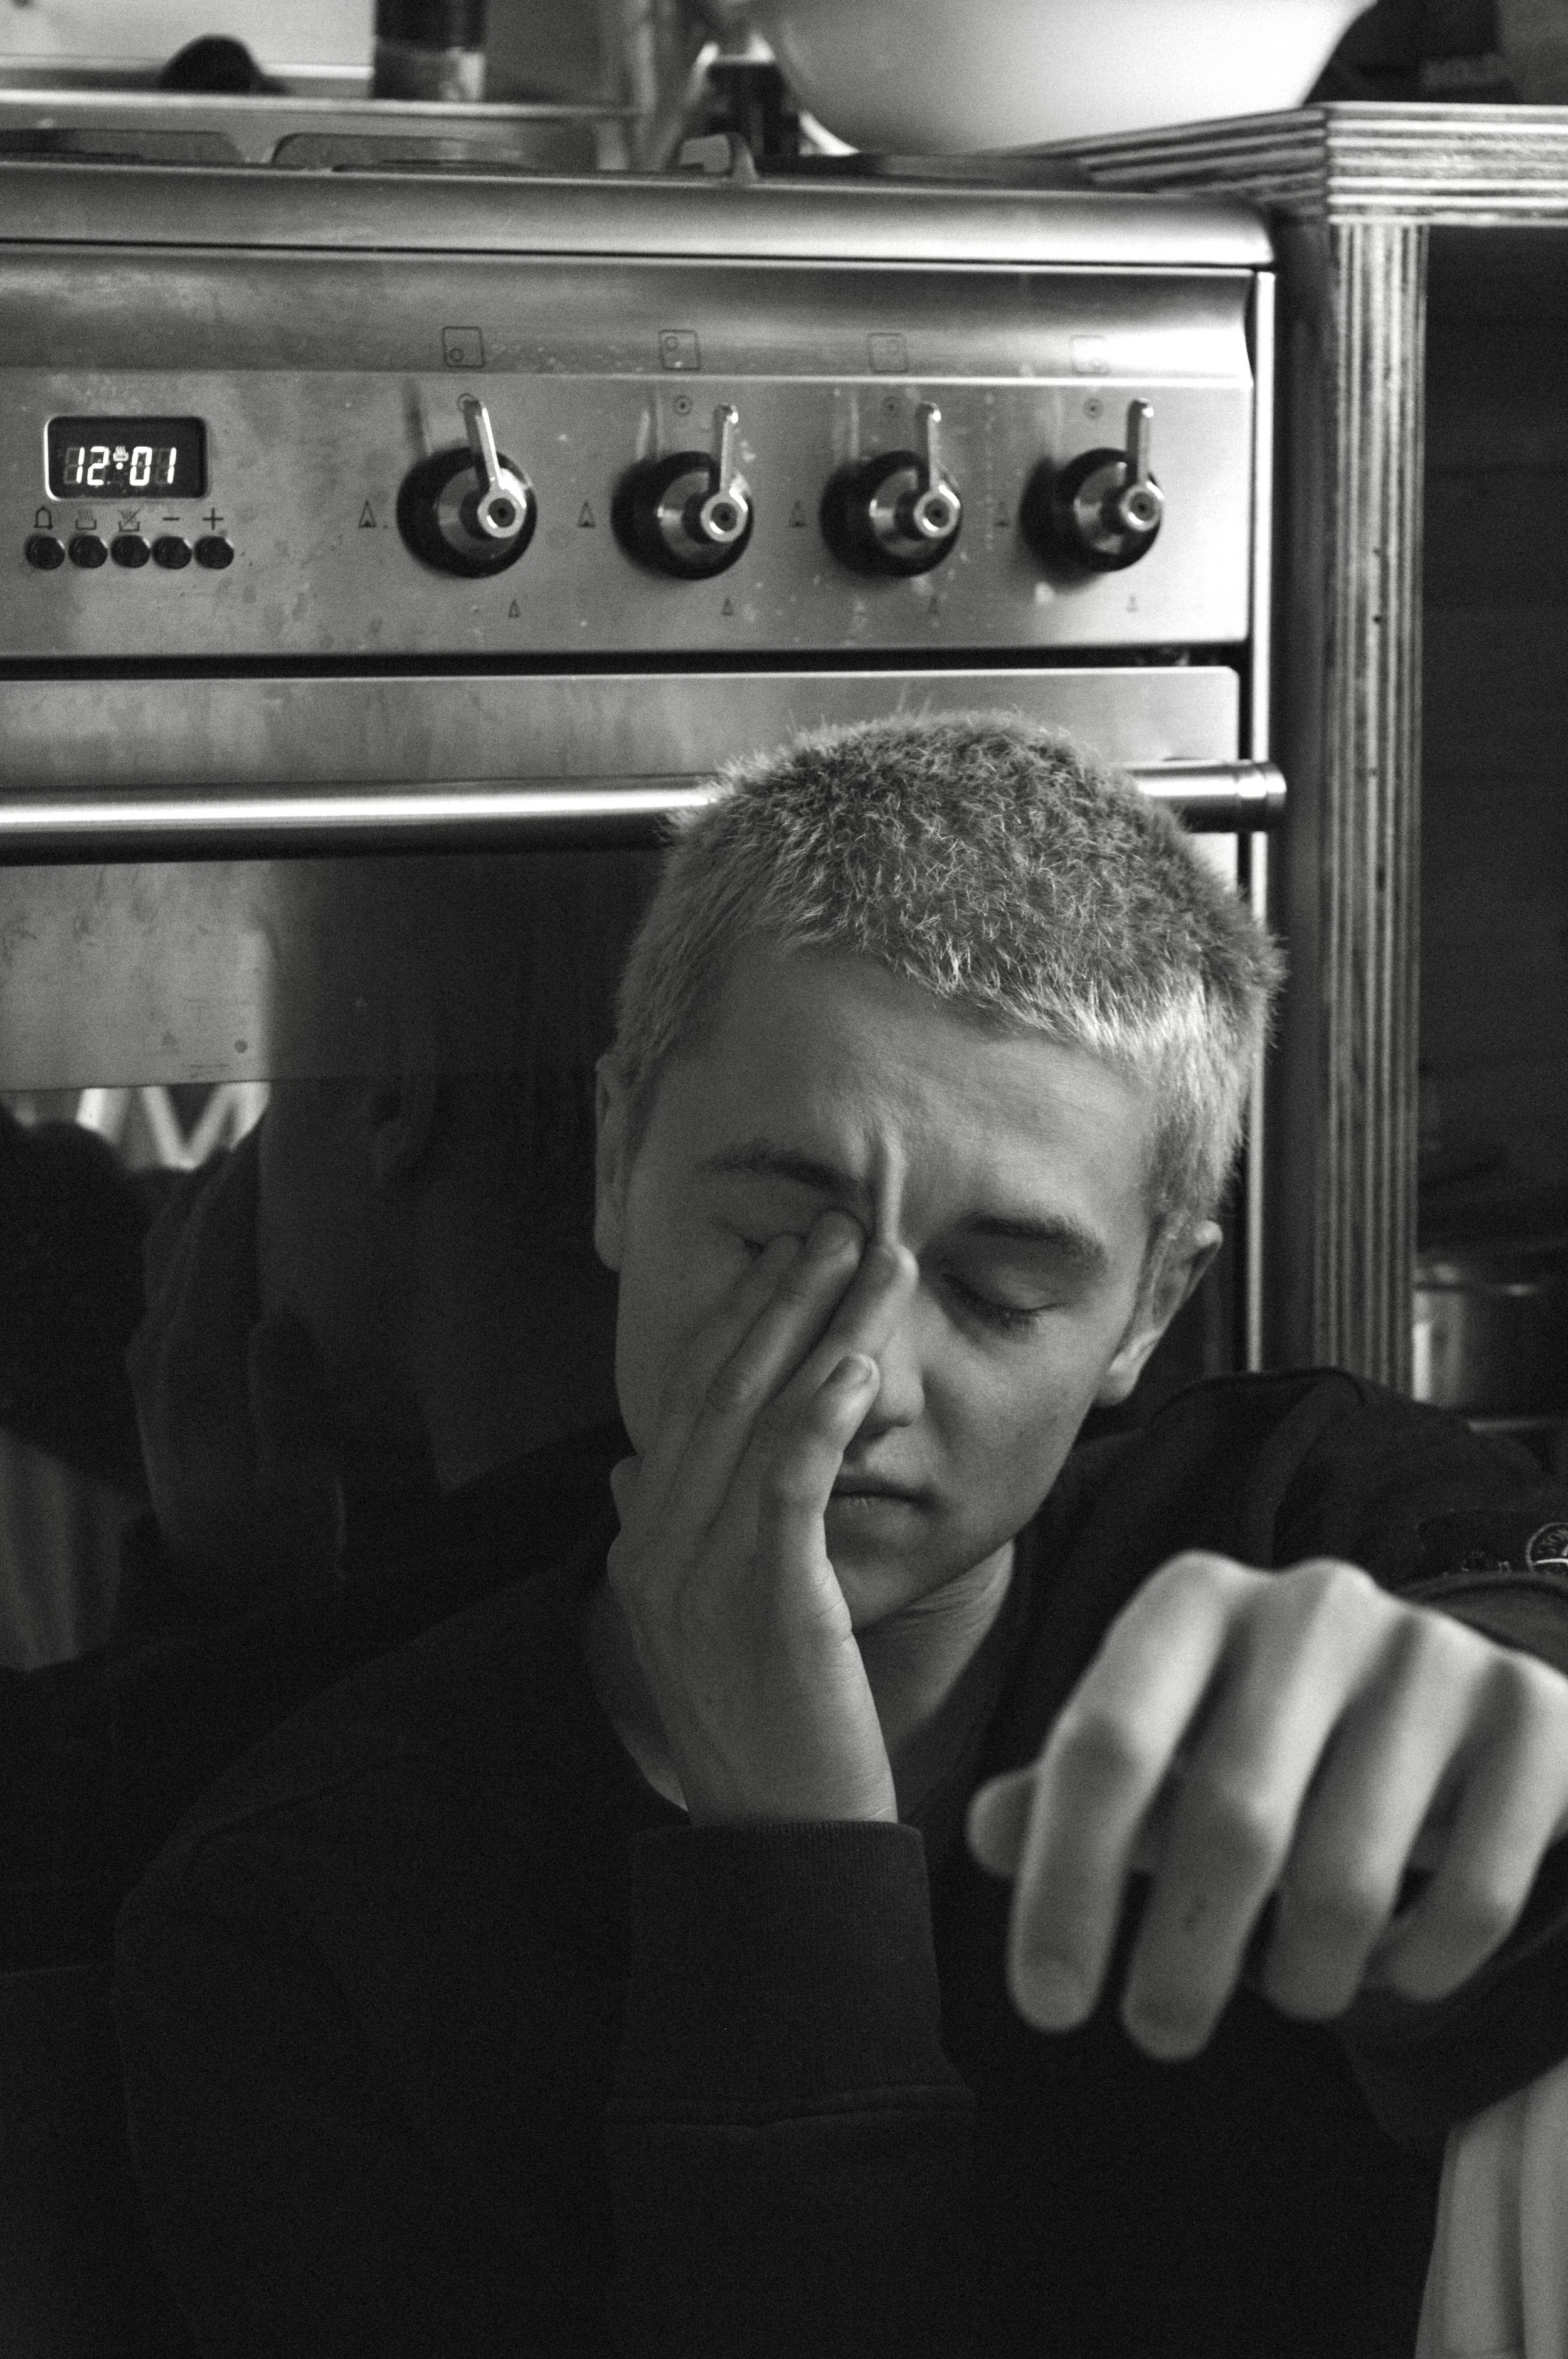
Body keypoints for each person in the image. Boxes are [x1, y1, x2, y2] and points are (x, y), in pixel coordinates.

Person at [112, 715, 1568, 2359]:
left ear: (1151, 1301)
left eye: (999, 1290)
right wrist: (786, 1866)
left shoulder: (1296, 1507)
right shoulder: (312, 1926)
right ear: (616, 1160)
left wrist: (1520, 1685)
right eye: (771, 1238)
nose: (857, 1379)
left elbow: (1522, 1599)